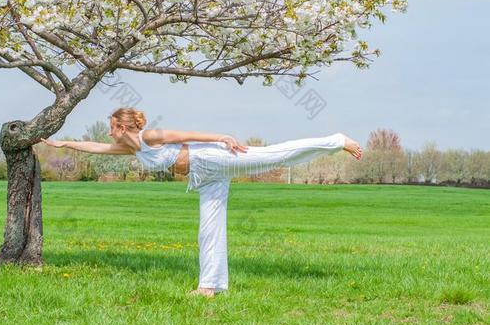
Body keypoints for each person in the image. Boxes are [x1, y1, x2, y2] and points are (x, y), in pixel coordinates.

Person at [41, 107, 362, 297]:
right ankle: (210, 286)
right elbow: (94, 147)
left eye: (112, 128)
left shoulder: (149, 138)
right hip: (204, 177)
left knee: (273, 155)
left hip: (211, 158)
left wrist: (221, 137)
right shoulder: (130, 148)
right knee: (209, 230)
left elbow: (186, 134)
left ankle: (336, 140)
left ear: (122, 126)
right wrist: (63, 142)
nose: (109, 133)